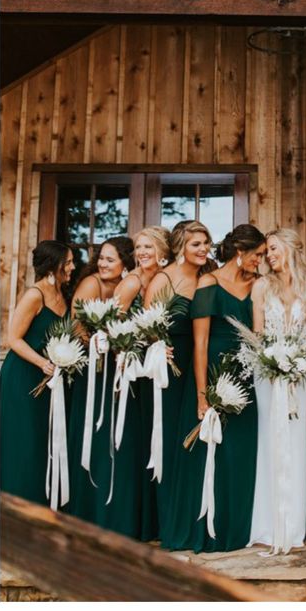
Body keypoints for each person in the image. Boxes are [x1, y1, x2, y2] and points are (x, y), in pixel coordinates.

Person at [164, 225, 266, 552]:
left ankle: (236, 527)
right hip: (210, 372)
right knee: (208, 452)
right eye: (258, 254)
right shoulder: (209, 283)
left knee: (240, 452)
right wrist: (201, 393)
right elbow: (200, 342)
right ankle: (202, 528)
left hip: (247, 373)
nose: (260, 261)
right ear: (241, 252)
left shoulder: (259, 285)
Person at [248, 228, 306, 553]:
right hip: (267, 373)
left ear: (291, 248)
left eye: (274, 249)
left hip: (301, 376)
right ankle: (266, 524)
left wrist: (297, 365)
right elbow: (257, 334)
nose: (269, 256)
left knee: (296, 441)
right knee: (269, 440)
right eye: (267, 251)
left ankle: (293, 527)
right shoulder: (262, 286)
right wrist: (274, 363)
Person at [143, 220, 211, 540]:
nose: (203, 249)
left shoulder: (207, 277)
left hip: (200, 367)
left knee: (193, 442)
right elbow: (145, 325)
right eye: (196, 244)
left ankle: (190, 514)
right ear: (181, 245)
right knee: (168, 441)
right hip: (167, 371)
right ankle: (167, 521)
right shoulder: (163, 279)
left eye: (206, 243)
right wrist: (157, 345)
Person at [67, 237, 138, 535]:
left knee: (117, 439)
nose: (103, 264)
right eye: (101, 258)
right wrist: (101, 347)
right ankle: (87, 512)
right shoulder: (91, 285)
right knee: (94, 435)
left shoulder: (128, 287)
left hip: (119, 370)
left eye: (110, 259)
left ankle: (114, 513)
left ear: (125, 263)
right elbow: (76, 327)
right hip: (93, 372)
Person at [1, 241, 75, 504]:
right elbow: (14, 338)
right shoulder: (35, 295)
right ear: (53, 264)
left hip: (50, 380)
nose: (72, 267)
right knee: (25, 441)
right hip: (24, 376)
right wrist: (41, 363)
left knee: (44, 442)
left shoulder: (64, 294)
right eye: (68, 262)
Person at [114, 226, 172, 541]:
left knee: (154, 441)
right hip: (133, 373)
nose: (142, 253)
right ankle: (132, 522)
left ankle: (152, 521)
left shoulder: (161, 282)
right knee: (137, 447)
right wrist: (136, 347)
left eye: (148, 247)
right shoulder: (132, 282)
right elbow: (112, 327)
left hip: (154, 373)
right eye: (139, 247)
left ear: (163, 251)